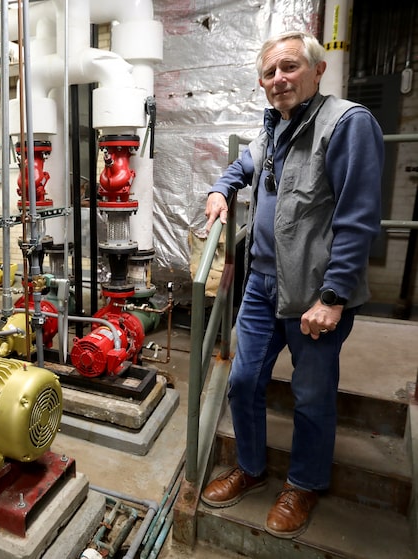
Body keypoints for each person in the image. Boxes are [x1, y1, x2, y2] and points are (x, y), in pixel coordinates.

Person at [200, 30, 384, 539]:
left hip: (314, 292)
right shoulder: (274, 128)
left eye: (289, 68)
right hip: (261, 283)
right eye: (268, 73)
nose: (278, 79)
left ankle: (303, 484)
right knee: (242, 380)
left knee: (311, 393)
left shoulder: (346, 124)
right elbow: (244, 165)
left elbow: (359, 218)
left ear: (317, 70)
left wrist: (334, 297)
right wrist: (222, 189)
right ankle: (253, 468)